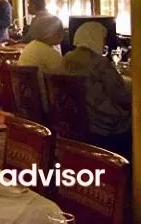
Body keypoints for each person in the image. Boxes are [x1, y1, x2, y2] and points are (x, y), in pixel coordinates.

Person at [62, 22, 131, 157]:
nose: (104, 43)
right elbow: (120, 94)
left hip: (75, 120)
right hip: (103, 123)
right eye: (103, 39)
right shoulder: (99, 62)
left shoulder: (67, 58)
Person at [16, 14, 65, 110]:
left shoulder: (31, 46)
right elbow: (64, 77)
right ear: (50, 32)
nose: (63, 34)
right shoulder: (49, 52)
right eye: (60, 31)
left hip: (27, 102)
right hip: (46, 103)